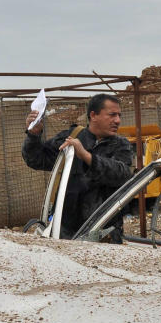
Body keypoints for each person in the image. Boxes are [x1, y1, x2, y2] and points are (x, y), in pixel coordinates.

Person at [22, 93, 134, 240]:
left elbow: (122, 175)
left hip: (103, 233)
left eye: (119, 115)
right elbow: (36, 159)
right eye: (112, 115)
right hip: (65, 232)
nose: (117, 120)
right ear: (93, 115)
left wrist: (87, 157)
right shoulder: (71, 136)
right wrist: (33, 135)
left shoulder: (121, 145)